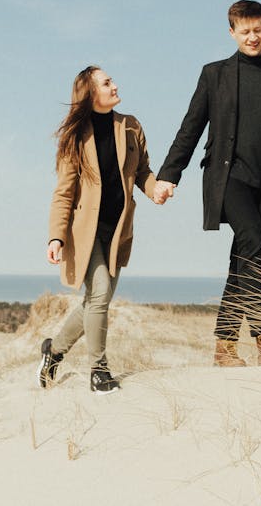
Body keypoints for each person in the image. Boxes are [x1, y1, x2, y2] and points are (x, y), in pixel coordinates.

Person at [153, 0, 261, 367]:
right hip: (226, 178)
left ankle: (224, 347)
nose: (252, 37)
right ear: (231, 32)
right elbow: (191, 128)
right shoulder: (214, 75)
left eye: (258, 29)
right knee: (253, 242)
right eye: (245, 31)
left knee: (244, 257)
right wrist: (169, 175)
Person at [39, 66, 160, 394]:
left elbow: (144, 171)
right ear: (92, 94)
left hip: (118, 229)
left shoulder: (131, 126)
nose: (115, 85)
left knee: (95, 299)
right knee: (101, 293)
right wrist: (56, 236)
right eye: (107, 83)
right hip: (85, 232)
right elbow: (64, 192)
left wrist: (155, 189)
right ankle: (99, 370)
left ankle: (54, 351)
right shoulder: (75, 137)